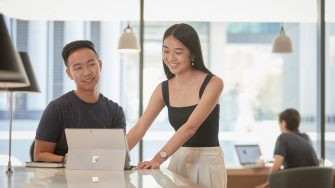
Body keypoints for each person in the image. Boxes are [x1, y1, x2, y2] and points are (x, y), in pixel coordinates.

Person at [127, 23, 227, 188]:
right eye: (166, 51)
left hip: (207, 162)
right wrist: (115, 158)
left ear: (193, 54)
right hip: (178, 160)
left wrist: (158, 159)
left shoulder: (213, 83)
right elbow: (140, 128)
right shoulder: (163, 89)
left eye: (178, 52)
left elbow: (190, 127)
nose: (170, 58)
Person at [34, 40, 126, 163]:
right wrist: (65, 159)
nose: (87, 72)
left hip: (103, 178)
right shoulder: (57, 108)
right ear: (69, 74)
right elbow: (40, 154)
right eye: (78, 68)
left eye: (91, 64)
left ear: (100, 65)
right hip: (61, 179)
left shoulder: (115, 111)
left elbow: (118, 155)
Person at [256, 108, 319, 188]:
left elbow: (276, 166)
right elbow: (300, 160)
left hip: (296, 183)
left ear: (283, 123)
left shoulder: (283, 137)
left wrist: (266, 184)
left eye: (279, 123)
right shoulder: (306, 137)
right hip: (314, 183)